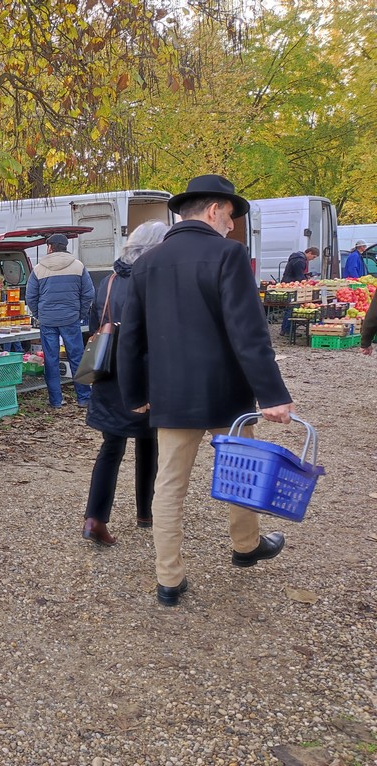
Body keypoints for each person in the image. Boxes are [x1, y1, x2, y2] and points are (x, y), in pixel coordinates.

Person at [117, 174, 295, 607]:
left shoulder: (145, 264)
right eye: (231, 215)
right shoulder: (228, 255)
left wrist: (134, 392)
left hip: (171, 396)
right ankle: (246, 546)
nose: (232, 225)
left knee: (170, 486)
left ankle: (168, 579)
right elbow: (249, 334)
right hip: (226, 397)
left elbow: (131, 338)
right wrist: (272, 395)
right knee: (242, 473)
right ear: (214, 209)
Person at [81, 221, 169, 546]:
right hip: (145, 374)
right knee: (149, 442)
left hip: (108, 373)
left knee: (111, 447)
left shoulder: (108, 280)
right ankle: (147, 511)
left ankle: (95, 519)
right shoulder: (155, 282)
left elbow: (93, 324)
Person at [25, 232, 94, 409]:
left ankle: (56, 400)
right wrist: (80, 313)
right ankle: (84, 397)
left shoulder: (39, 268)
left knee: (51, 359)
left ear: (50, 247)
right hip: (70, 318)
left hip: (47, 320)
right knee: (77, 357)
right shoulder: (78, 266)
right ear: (65, 247)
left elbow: (31, 296)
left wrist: (39, 314)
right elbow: (88, 294)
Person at [279, 247, 320, 336]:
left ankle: (285, 330)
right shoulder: (300, 261)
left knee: (289, 307)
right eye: (313, 257)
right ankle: (288, 330)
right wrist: (306, 280)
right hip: (292, 285)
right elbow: (299, 276)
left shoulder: (296, 257)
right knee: (292, 308)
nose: (312, 259)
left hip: (288, 283)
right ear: (309, 253)